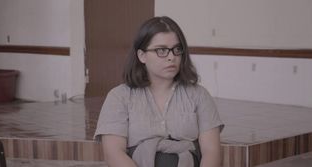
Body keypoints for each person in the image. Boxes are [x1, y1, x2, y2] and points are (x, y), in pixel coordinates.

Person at [94, 16, 224, 167]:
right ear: (142, 56)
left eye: (177, 49)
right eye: (161, 50)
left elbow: (211, 152)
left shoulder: (199, 95)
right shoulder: (119, 97)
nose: (171, 57)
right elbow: (113, 154)